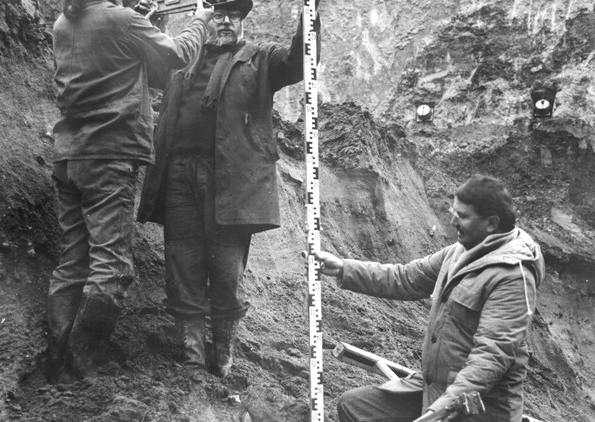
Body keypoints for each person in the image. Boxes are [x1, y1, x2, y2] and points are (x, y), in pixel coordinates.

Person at [137, 0, 321, 377]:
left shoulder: (259, 58)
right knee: (182, 265)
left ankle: (222, 356)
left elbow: (299, 62)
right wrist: (143, 22)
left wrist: (310, 15)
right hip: (178, 177)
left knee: (225, 272)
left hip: (230, 183)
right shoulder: (183, 57)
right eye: (217, 15)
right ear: (205, 20)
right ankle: (191, 359)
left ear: (242, 21)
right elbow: (144, 63)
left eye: (232, 16)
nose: (224, 22)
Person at [46, 0, 214, 383]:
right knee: (112, 269)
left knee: (73, 264)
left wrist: (147, 22)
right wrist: (199, 20)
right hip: (109, 155)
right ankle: (80, 372)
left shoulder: (63, 23)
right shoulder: (122, 20)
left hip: (69, 155)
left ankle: (56, 368)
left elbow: (126, 61)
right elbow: (178, 55)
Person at [314, 175, 544, 422]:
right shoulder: (461, 252)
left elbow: (490, 356)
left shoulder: (513, 277)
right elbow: (407, 277)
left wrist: (441, 410)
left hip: (480, 406)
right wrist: (344, 268)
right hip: (435, 388)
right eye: (454, 213)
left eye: (463, 216)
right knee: (356, 407)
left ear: (492, 223)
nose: (453, 221)